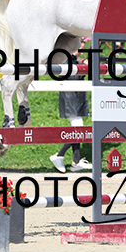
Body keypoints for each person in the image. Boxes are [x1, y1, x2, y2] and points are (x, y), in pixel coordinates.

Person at [50, 39, 93, 173]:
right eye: (80, 49)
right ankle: (59, 155)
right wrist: (84, 67)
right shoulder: (66, 60)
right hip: (70, 98)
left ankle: (76, 162)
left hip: (74, 98)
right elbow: (73, 77)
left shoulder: (70, 59)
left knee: (77, 129)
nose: (81, 52)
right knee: (78, 129)